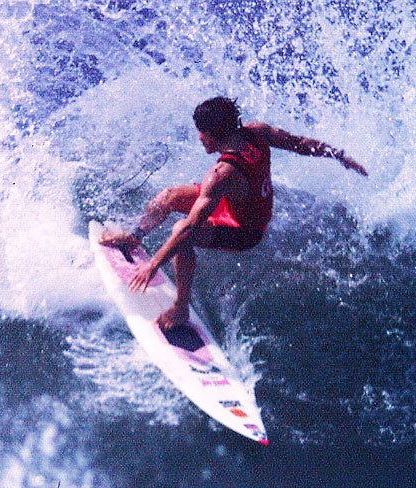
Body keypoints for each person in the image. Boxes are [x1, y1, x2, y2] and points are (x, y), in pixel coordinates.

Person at [100, 97, 368, 331]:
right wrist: (339, 155)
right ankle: (134, 237)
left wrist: (153, 265)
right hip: (235, 201)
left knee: (181, 231)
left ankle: (180, 308)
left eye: (201, 132)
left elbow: (190, 227)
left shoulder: (221, 175)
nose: (199, 138)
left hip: (245, 230)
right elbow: (300, 144)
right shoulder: (255, 133)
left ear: (212, 134)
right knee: (168, 196)